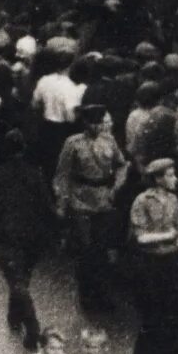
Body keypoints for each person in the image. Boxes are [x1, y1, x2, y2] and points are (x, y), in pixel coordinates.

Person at [127, 157, 178, 354]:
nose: (174, 178)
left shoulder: (174, 200)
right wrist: (168, 235)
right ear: (157, 178)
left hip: (171, 263)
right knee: (152, 317)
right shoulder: (142, 201)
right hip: (148, 265)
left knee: (173, 319)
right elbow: (141, 237)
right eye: (169, 175)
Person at [0, 129, 60, 351]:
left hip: (7, 234)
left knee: (16, 280)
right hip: (32, 236)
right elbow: (47, 205)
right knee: (22, 279)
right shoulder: (35, 174)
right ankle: (15, 316)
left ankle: (32, 325)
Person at [54, 107, 128, 313]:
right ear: (85, 123)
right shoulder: (73, 143)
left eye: (100, 122)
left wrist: (116, 187)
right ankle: (87, 296)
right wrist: (62, 202)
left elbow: (122, 165)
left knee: (103, 250)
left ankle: (103, 295)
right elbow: (62, 175)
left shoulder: (110, 141)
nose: (98, 126)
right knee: (85, 251)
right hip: (81, 201)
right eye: (93, 122)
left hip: (104, 200)